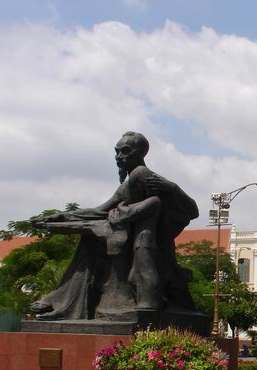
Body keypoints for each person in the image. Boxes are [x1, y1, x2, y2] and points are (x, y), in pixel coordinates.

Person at [30, 132, 198, 320]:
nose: (119, 156)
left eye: (125, 151)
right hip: (131, 239)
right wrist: (61, 217)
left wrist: (171, 187)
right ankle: (65, 302)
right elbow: (99, 211)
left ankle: (66, 303)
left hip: (150, 243)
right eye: (117, 152)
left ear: (141, 152)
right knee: (90, 240)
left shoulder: (142, 175)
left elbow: (193, 211)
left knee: (94, 241)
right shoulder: (129, 183)